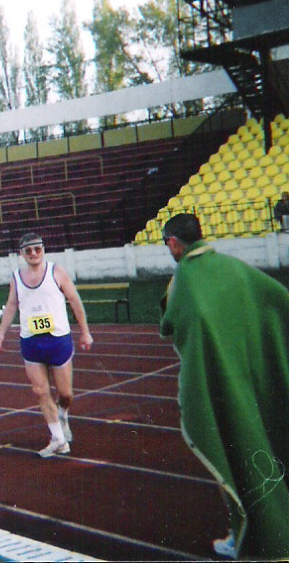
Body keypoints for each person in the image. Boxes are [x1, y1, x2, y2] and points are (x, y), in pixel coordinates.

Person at [159, 213, 289, 560]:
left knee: (228, 454)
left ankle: (243, 535)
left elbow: (171, 323)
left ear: (174, 243)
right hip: (254, 370)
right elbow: (277, 296)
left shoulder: (185, 276)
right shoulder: (233, 266)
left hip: (219, 382)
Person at [0, 233, 92, 458]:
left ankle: (63, 414)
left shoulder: (56, 271)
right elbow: (11, 305)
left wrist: (85, 332)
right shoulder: (16, 277)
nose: (33, 254)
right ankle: (58, 439)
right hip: (31, 341)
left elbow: (74, 300)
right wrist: (1, 332)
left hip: (58, 339)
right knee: (40, 391)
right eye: (28, 251)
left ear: (43, 250)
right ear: (22, 254)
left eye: (37, 249)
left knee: (65, 394)